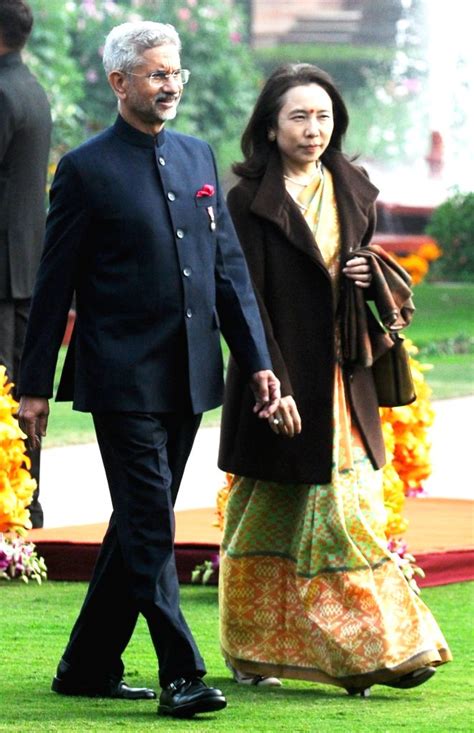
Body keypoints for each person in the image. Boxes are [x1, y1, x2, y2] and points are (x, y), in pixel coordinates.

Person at [17, 21, 280, 719]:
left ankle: (87, 663)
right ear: (119, 82)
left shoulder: (197, 156)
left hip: (191, 372)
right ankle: (182, 672)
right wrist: (33, 385)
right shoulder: (85, 168)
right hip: (119, 376)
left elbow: (228, 272)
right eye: (157, 74)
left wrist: (255, 359)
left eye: (176, 73)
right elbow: (53, 284)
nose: (170, 85)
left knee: (142, 517)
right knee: (148, 520)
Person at [218, 63, 452, 695]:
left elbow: (369, 264)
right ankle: (251, 650)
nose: (312, 128)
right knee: (261, 514)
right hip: (279, 380)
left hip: (345, 382)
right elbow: (244, 301)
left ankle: (380, 650)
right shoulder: (245, 199)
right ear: (270, 126)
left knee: (349, 516)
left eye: (322, 116)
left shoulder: (352, 185)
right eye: (298, 116)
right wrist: (275, 383)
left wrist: (363, 272)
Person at [0, 0, 51, 528]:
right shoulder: (28, 86)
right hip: (23, 265)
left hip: (2, 271)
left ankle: (16, 506)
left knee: (5, 393)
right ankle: (26, 502)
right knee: (15, 391)